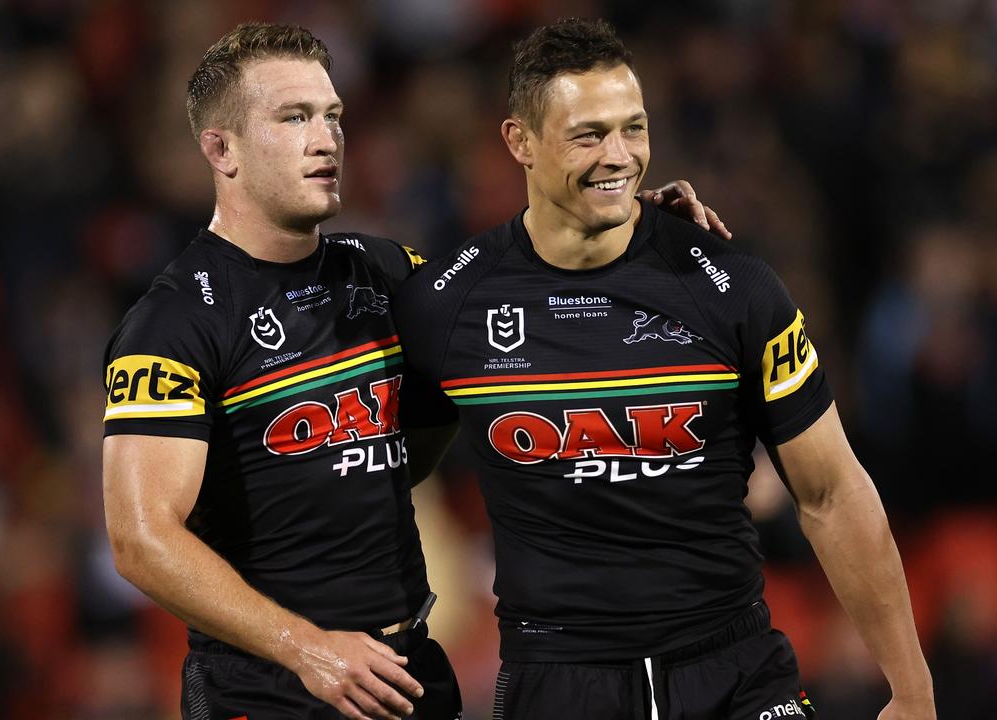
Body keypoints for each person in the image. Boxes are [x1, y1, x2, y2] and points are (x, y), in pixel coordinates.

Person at [102, 21, 725, 720]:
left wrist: (624, 223)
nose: (325, 138)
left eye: (333, 115)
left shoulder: (383, 272)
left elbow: (524, 287)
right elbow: (141, 540)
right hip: (273, 690)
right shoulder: (174, 322)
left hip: (408, 675)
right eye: (294, 117)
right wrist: (307, 648)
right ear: (221, 149)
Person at [394, 18, 936, 720]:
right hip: (559, 686)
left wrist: (913, 690)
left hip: (736, 674)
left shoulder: (732, 287)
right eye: (589, 134)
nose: (619, 155)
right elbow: (380, 473)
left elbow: (831, 493)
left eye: (634, 128)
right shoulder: (446, 305)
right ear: (518, 142)